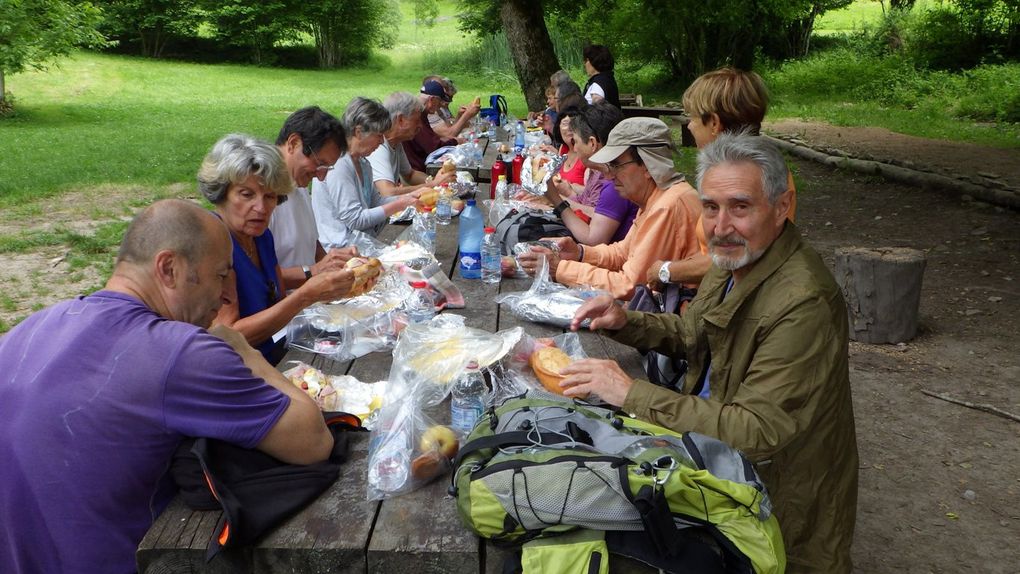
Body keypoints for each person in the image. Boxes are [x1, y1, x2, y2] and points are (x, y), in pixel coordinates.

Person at [563, 133, 859, 573]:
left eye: (741, 206)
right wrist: (627, 321)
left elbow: (757, 430)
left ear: (781, 206)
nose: (721, 227)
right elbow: (694, 333)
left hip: (775, 500)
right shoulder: (735, 260)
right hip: (714, 460)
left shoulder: (803, 302)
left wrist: (631, 393)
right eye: (711, 207)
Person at [0, 199, 333, 574]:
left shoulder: (28, 328)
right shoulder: (180, 351)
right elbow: (313, 443)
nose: (225, 294)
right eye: (221, 275)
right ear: (169, 268)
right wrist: (244, 351)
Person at [202, 134, 371, 364]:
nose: (261, 208)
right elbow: (229, 336)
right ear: (222, 193)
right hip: (238, 373)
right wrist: (307, 294)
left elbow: (278, 302)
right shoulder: (213, 245)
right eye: (246, 194)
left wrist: (327, 286)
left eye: (270, 196)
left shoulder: (261, 237)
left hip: (278, 355)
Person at [517, 117, 702, 301]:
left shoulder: (667, 206)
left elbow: (630, 286)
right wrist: (580, 253)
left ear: (647, 165)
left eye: (616, 165)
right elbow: (623, 253)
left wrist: (560, 268)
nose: (610, 174)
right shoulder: (655, 197)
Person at [646, 67, 798, 290]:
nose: (689, 125)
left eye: (693, 118)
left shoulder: (758, 177)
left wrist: (666, 270)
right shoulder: (740, 171)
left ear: (715, 124)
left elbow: (736, 256)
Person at [267, 106, 357, 289]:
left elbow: (311, 244)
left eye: (327, 168)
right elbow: (256, 278)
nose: (320, 177)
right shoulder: (262, 195)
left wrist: (337, 264)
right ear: (293, 144)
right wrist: (314, 271)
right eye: (319, 164)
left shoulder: (298, 184)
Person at [313, 97, 419, 248]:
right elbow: (355, 220)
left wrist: (409, 197)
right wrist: (399, 204)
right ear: (359, 132)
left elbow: (377, 202)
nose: (382, 142)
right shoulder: (339, 165)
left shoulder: (363, 162)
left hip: (362, 244)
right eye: (378, 135)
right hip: (341, 250)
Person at [544, 102, 638, 245]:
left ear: (592, 143)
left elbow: (593, 239)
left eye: (575, 141)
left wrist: (556, 200)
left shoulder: (615, 183)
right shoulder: (599, 173)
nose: (574, 148)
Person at [368, 91, 456, 198]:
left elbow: (410, 175)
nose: (420, 126)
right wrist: (433, 184)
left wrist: (437, 181)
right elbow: (388, 193)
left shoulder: (396, 142)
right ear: (400, 119)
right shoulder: (378, 146)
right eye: (417, 120)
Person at [402, 78, 459, 172]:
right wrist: (455, 142)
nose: (441, 105)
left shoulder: (421, 112)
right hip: (417, 171)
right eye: (440, 101)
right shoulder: (416, 115)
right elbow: (434, 148)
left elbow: (431, 139)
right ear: (431, 100)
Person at [428, 76, 481, 141]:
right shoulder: (430, 111)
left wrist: (459, 115)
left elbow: (450, 127)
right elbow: (449, 135)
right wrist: (467, 115)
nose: (449, 101)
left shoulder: (438, 108)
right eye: (445, 97)